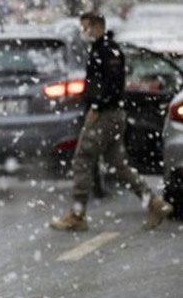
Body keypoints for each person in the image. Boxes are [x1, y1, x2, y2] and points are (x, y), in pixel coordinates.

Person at [50, 12, 173, 232]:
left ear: (97, 27)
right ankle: (154, 202)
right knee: (118, 164)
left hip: (105, 115)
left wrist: (97, 106)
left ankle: (77, 214)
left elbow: (111, 84)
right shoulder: (102, 48)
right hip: (111, 113)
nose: (83, 32)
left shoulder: (107, 51)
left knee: (82, 159)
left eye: (86, 27)